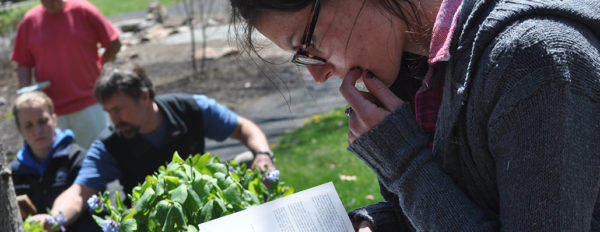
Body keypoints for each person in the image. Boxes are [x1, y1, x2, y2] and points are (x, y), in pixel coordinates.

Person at [229, 0, 600, 231]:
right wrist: (376, 223)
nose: (318, 72)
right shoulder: (428, 69)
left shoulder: (535, 64)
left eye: (306, 43)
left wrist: (405, 166)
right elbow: (470, 204)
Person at [37, 66, 277, 228]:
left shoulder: (191, 109)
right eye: (108, 112)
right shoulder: (110, 143)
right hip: (152, 222)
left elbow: (245, 128)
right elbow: (80, 192)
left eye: (119, 109)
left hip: (203, 208)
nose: (114, 120)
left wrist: (264, 156)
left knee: (250, 160)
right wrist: (54, 219)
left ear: (144, 97)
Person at [11, 0, 121, 149]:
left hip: (89, 103)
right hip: (49, 114)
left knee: (99, 156)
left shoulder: (83, 10)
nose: (49, 3)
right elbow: (23, 62)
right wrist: (25, 93)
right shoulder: (30, 21)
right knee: (59, 165)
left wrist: (100, 64)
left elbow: (114, 42)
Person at [10, 91, 100, 231]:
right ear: (20, 130)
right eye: (29, 125)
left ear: (54, 119)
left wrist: (52, 221)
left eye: (42, 121)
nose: (38, 130)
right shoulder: (13, 173)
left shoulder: (78, 159)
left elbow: (80, 200)